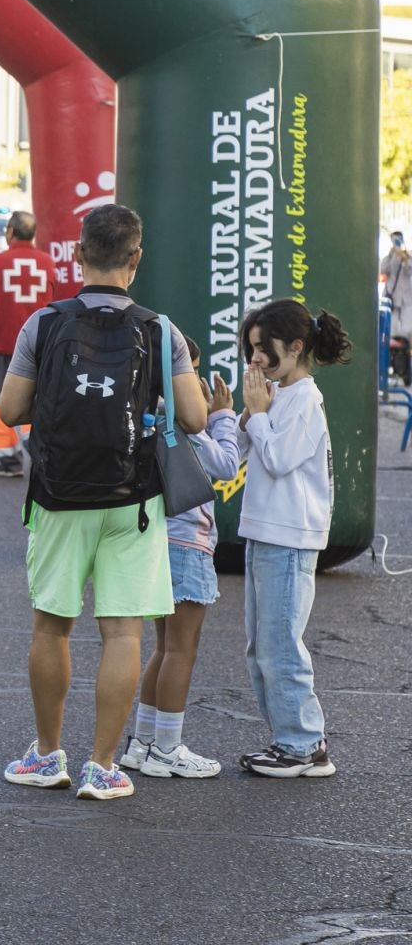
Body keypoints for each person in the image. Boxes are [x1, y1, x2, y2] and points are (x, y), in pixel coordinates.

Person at [0, 203, 206, 802]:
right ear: (135, 259)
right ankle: (105, 766)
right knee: (122, 634)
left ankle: (45, 755)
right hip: (133, 497)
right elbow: (193, 417)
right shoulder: (160, 330)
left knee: (52, 626)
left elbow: (11, 411)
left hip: (59, 496)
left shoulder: (45, 323)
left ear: (79, 254)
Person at [230, 298, 351, 778]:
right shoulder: (278, 397)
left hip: (290, 538)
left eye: (263, 349)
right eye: (251, 349)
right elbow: (246, 455)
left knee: (280, 644)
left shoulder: (305, 399)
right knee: (261, 647)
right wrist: (245, 415)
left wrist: (258, 415)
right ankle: (290, 740)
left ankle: (303, 743)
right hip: (266, 533)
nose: (255, 359)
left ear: (296, 347)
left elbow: (279, 459)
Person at [118, 337, 240, 781]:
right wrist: (224, 416)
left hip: (153, 539)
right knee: (182, 650)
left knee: (164, 648)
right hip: (188, 544)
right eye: (191, 373)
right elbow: (226, 465)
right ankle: (167, 748)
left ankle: (143, 743)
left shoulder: (145, 415)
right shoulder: (183, 424)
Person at [0, 211, 56, 478]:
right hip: (40, 345)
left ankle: (9, 460)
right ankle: (40, 452)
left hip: (2, 345)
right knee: (38, 400)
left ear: (9, 232)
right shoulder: (46, 262)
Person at [382, 232, 410, 384]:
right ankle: (391, 368)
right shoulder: (389, 257)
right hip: (391, 302)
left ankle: (405, 372)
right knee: (390, 337)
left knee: (405, 337)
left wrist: (404, 257)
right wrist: (391, 254)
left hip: (406, 303)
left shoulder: (408, 256)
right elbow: (382, 270)